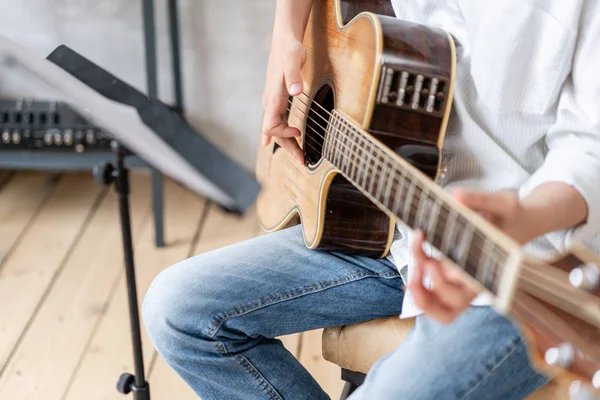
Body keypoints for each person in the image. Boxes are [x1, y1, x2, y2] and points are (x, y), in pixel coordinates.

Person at [142, 0, 600, 399]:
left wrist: (527, 216)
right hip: (385, 225)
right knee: (178, 311)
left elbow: (591, 146)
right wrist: (285, 38)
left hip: (524, 267)